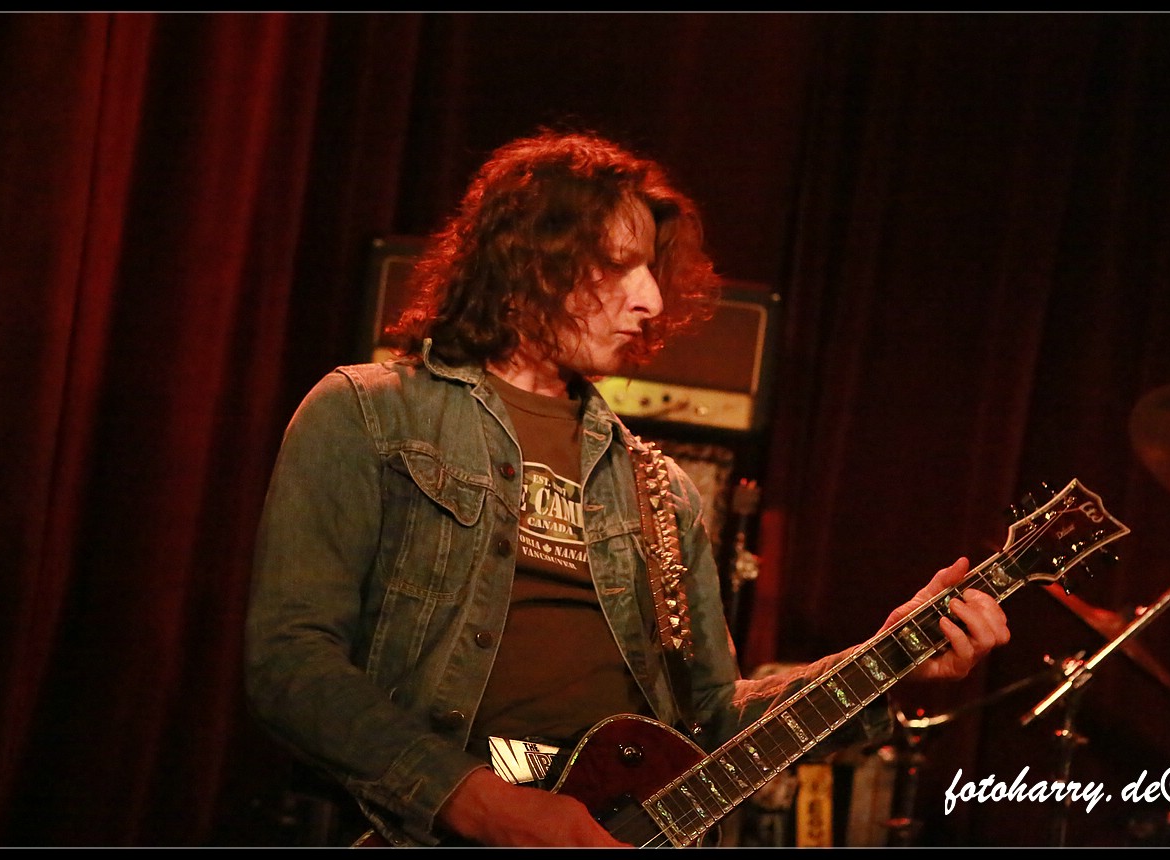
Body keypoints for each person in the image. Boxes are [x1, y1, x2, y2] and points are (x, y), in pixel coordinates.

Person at [244, 128, 1011, 848]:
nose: (650, 301)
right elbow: (291, 664)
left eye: (652, 270)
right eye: (619, 264)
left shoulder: (662, 492)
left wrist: (886, 662)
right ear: (527, 258)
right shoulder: (369, 412)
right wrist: (484, 803)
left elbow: (710, 720)